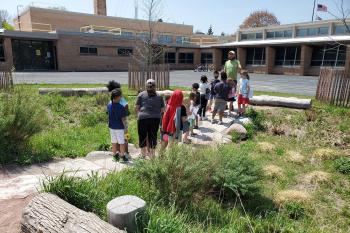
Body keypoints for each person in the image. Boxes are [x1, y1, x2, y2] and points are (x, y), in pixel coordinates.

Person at [135, 79, 165, 159]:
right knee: (153, 136)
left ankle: (143, 155)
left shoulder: (141, 95)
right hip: (155, 118)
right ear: (155, 87)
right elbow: (162, 110)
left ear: (146, 86)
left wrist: (139, 115)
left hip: (143, 118)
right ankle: (152, 156)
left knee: (142, 136)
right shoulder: (159, 96)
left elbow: (137, 107)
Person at [106, 81, 130, 156]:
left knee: (115, 140)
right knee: (125, 138)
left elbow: (108, 113)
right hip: (123, 123)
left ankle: (116, 152)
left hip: (113, 125)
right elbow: (127, 112)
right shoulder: (122, 101)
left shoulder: (110, 102)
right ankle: (125, 152)